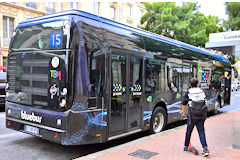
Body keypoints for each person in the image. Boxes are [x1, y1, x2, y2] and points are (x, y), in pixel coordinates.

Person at [181, 78, 210, 157]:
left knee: (189, 130)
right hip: (202, 114)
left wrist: (183, 111)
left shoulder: (189, 92)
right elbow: (205, 100)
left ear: (190, 84)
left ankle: (186, 146)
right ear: (197, 84)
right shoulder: (201, 91)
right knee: (201, 131)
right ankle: (205, 148)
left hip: (192, 115)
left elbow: (183, 102)